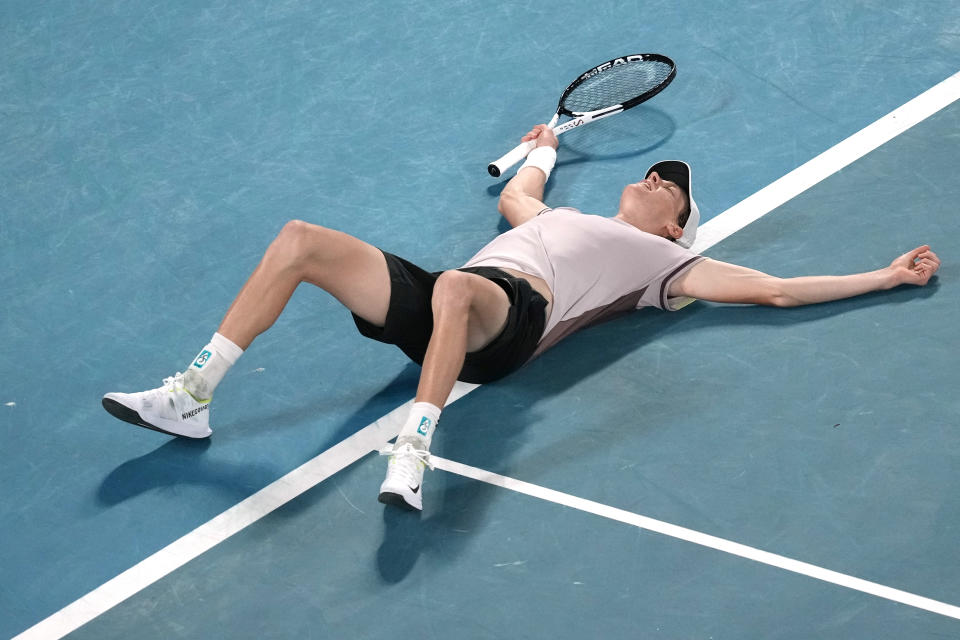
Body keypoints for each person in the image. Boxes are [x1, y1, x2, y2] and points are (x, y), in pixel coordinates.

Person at [102, 124, 941, 511]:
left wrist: (885, 276)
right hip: (452, 296)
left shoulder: (668, 266)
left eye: (670, 187)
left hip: (507, 329)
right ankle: (192, 396)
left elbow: (777, 289)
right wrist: (544, 145)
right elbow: (520, 194)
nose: (655, 180)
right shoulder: (557, 218)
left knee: (458, 291)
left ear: (679, 226)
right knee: (299, 241)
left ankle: (413, 451)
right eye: (655, 174)